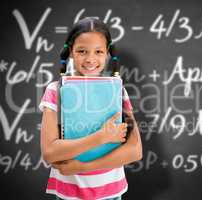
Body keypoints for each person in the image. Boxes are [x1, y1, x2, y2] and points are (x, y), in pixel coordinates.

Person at [39, 17, 142, 200]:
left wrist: (82, 167)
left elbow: (135, 150)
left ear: (107, 54)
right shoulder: (55, 91)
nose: (90, 59)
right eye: (82, 51)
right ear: (71, 52)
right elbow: (49, 152)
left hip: (111, 193)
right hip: (69, 194)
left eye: (98, 51)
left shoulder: (118, 91)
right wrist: (101, 137)